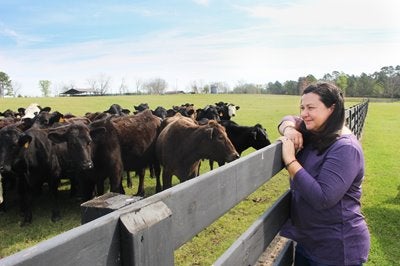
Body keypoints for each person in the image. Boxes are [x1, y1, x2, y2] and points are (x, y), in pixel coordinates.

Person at [278, 82, 370, 265]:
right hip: (309, 242)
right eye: (302, 107)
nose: (304, 113)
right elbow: (287, 119)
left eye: (311, 107)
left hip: (337, 249)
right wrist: (289, 129)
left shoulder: (345, 148)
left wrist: (290, 160)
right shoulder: (316, 131)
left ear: (332, 108)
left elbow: (323, 198)